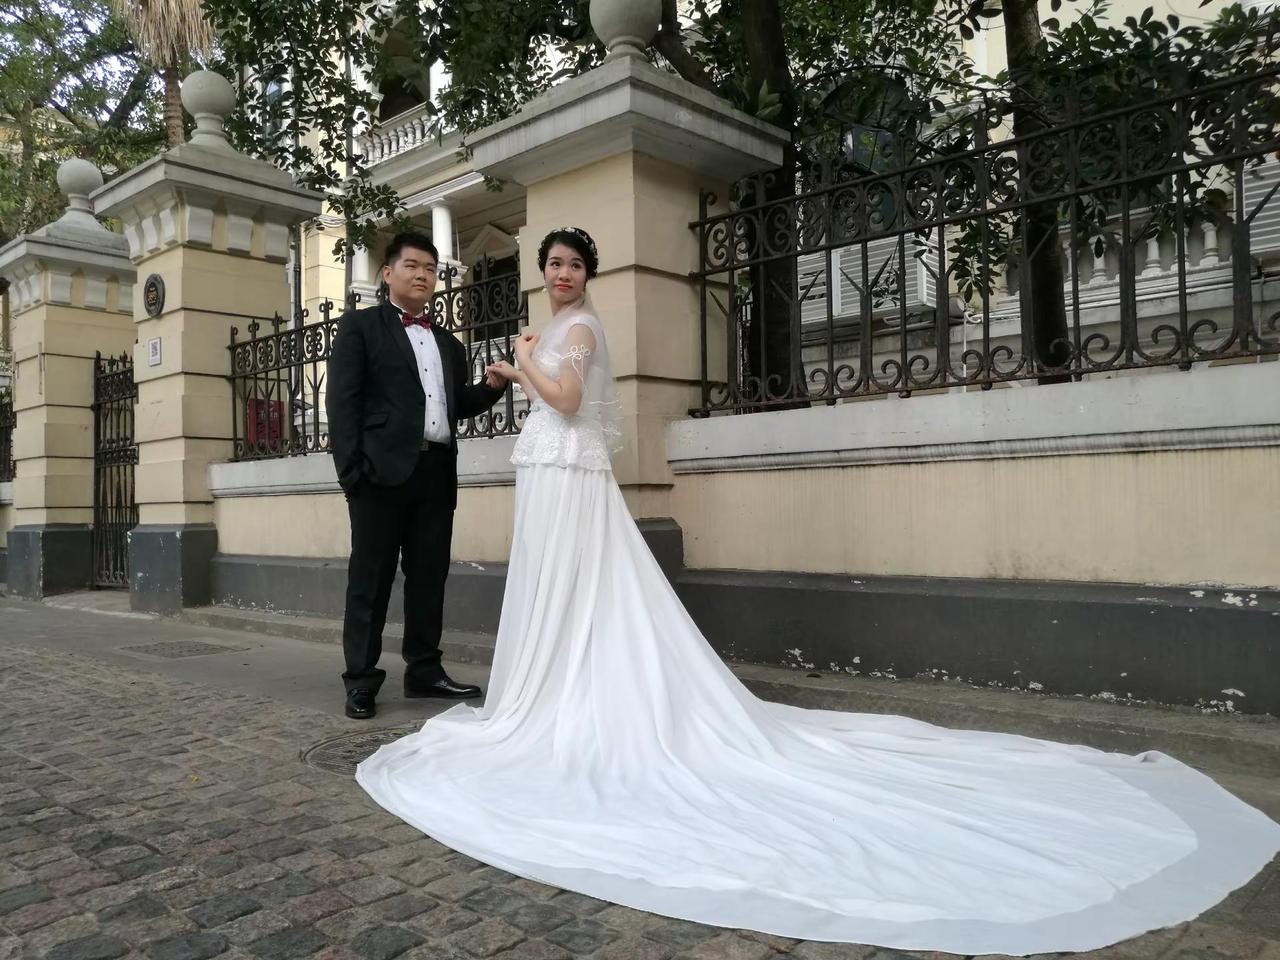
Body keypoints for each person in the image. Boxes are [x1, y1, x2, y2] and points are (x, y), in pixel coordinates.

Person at [355, 227, 1280, 953]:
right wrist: (519, 364)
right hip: (550, 477)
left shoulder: (581, 328)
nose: (561, 275)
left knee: (588, 593)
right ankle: (547, 688)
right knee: (561, 593)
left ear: (586, 275)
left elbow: (562, 400)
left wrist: (521, 364)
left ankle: (574, 699)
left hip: (569, 474)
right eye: (552, 264)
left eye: (571, 265)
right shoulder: (547, 327)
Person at [326, 231, 507, 720]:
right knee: (371, 581)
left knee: (429, 579)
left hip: (435, 474)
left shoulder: (448, 343)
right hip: (378, 478)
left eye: (430, 268)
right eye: (412, 266)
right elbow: (342, 404)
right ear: (388, 273)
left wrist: (491, 387)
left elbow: (456, 405)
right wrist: (352, 475)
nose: (422, 275)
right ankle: (361, 679)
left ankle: (424, 670)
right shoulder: (360, 328)